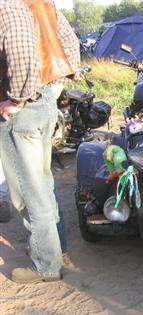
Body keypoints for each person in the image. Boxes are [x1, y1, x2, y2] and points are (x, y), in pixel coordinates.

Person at [0, 0, 80, 284]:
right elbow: (71, 46)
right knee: (43, 182)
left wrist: (18, 98)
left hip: (23, 108)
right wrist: (53, 88)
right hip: (43, 99)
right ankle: (58, 252)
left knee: (28, 189)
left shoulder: (8, 4)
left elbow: (21, 49)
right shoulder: (44, 3)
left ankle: (46, 265)